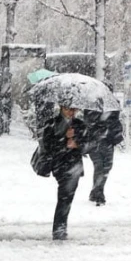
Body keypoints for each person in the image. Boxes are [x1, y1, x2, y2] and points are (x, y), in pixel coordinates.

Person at [42, 102, 88, 240]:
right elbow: (47, 144)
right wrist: (64, 138)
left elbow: (88, 144)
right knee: (64, 196)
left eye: (74, 109)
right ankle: (59, 227)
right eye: (68, 109)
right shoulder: (52, 123)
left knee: (67, 197)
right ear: (61, 108)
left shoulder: (80, 124)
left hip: (74, 164)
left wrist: (77, 143)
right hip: (59, 164)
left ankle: (60, 226)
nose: (71, 112)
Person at [85, 110, 123, 206]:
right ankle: (99, 195)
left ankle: (95, 192)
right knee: (99, 167)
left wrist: (112, 132)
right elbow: (87, 124)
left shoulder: (113, 107)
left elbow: (117, 124)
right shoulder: (91, 107)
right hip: (95, 143)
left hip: (108, 142)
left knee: (106, 168)